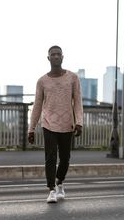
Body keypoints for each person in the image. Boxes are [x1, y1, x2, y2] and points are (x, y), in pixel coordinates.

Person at [28, 45, 83, 203]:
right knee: (50, 157)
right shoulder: (42, 81)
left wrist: (79, 122)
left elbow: (78, 101)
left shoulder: (73, 78)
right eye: (53, 54)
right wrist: (31, 129)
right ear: (48, 58)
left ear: (63, 57)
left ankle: (60, 182)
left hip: (67, 124)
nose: (56, 56)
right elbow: (37, 105)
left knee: (65, 158)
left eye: (59, 54)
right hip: (48, 124)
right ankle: (51, 189)